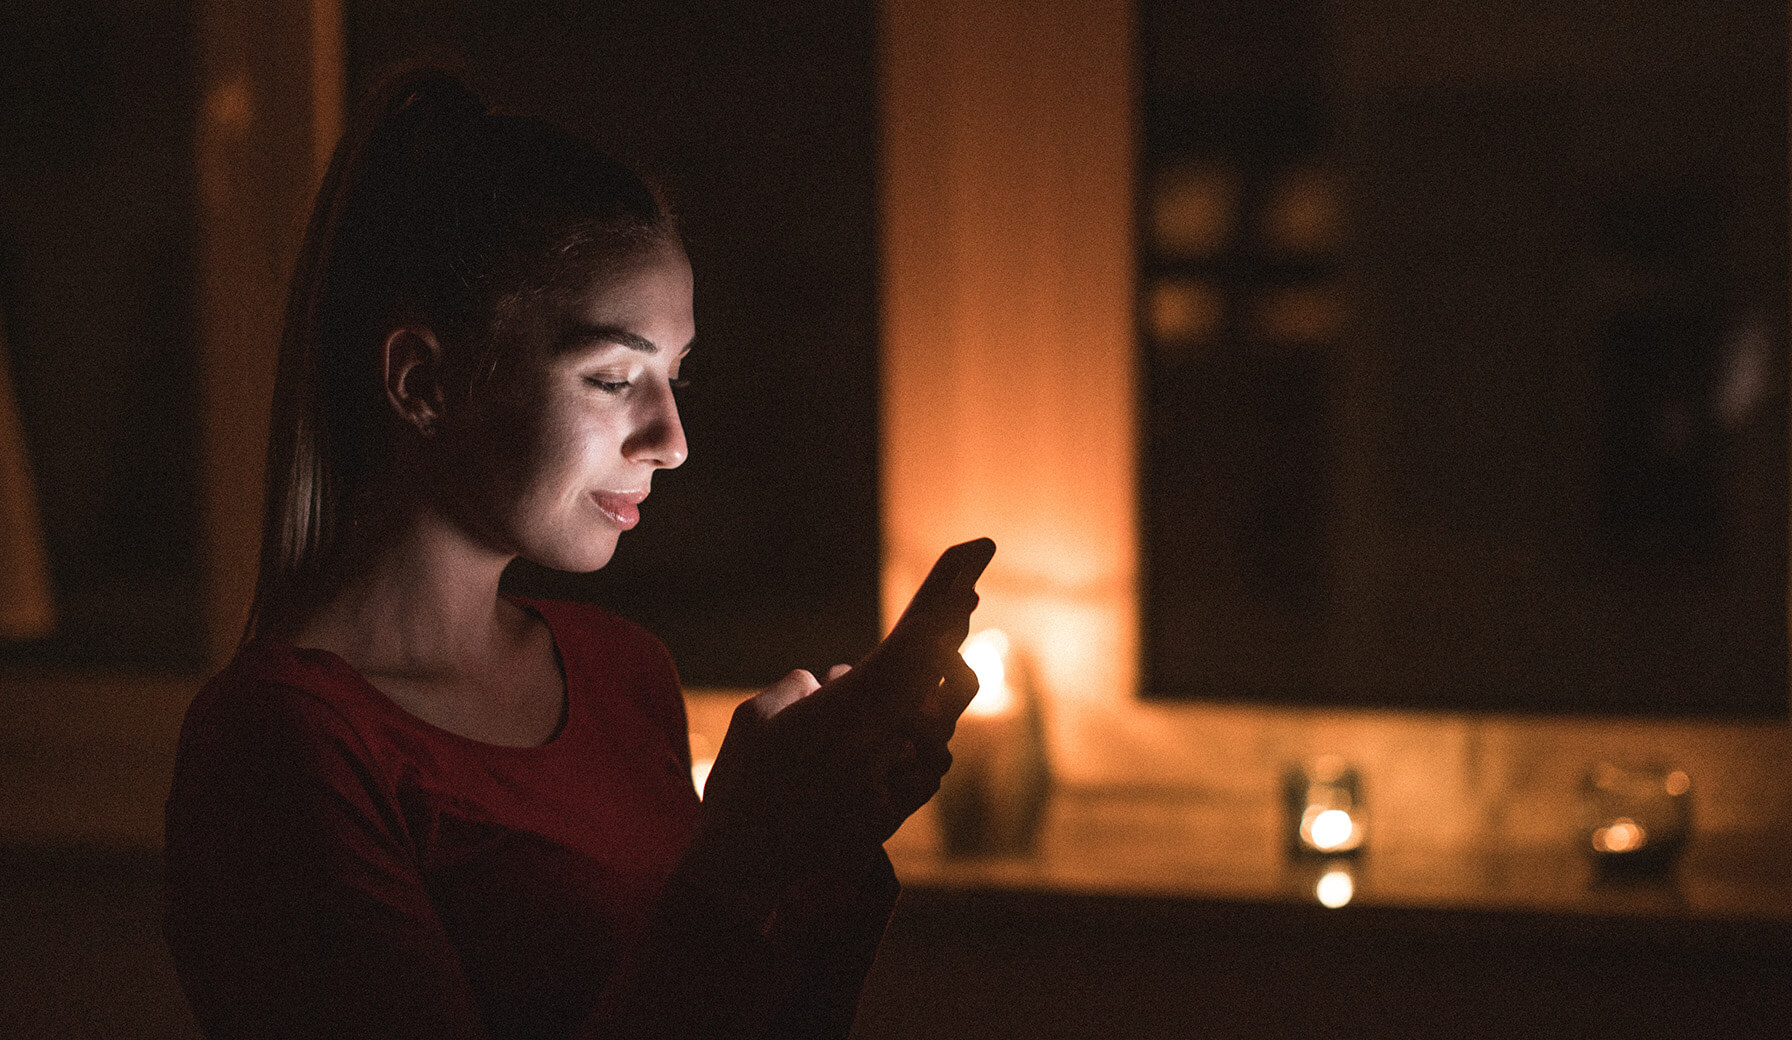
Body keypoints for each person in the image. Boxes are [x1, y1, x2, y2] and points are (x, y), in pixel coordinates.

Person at [163, 68, 982, 1040]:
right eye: (611, 375)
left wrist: (815, 845)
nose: (671, 438)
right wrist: (742, 858)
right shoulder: (286, 743)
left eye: (673, 376)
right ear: (422, 379)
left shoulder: (620, 671)